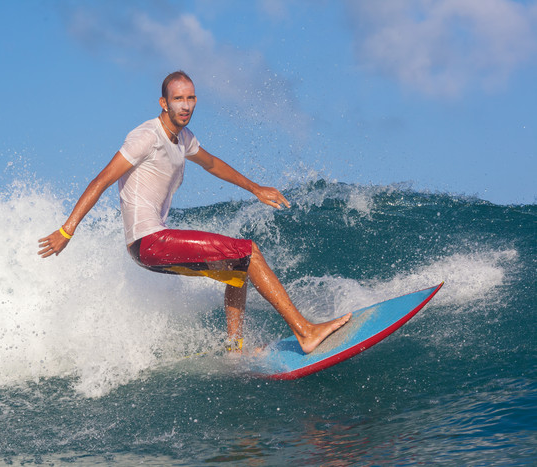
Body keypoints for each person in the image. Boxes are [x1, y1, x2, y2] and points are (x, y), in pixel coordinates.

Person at [38, 71, 350, 353]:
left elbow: (212, 164)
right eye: (178, 99)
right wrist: (67, 230)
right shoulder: (146, 136)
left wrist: (256, 189)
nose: (185, 106)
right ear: (164, 102)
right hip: (149, 241)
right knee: (250, 252)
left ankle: (234, 348)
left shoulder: (183, 138)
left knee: (237, 270)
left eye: (190, 98)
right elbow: (102, 180)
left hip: (150, 246)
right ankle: (305, 331)